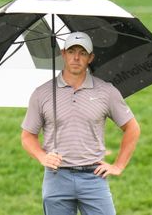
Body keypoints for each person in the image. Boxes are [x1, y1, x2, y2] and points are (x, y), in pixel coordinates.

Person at [21, 32, 140, 215]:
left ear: (90, 57)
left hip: (93, 177)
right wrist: (42, 157)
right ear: (63, 53)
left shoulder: (106, 91)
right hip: (56, 177)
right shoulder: (42, 93)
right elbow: (28, 136)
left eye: (82, 53)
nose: (76, 57)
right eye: (71, 51)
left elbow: (132, 128)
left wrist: (118, 166)